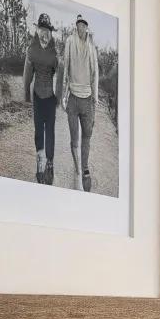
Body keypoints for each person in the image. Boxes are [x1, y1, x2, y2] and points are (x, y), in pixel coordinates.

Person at [62, 13, 99, 192]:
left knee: (87, 136)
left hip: (87, 99)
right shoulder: (70, 41)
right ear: (76, 26)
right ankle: (77, 167)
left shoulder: (92, 47)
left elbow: (95, 74)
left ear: (87, 27)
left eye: (84, 25)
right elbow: (66, 66)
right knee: (74, 138)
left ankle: (85, 169)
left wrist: (95, 99)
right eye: (79, 25)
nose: (81, 28)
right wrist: (64, 95)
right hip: (73, 98)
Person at [22, 13, 60, 184]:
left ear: (50, 33)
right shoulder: (32, 50)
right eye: (41, 30)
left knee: (50, 131)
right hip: (37, 96)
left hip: (50, 98)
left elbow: (59, 74)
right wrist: (26, 94)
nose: (44, 34)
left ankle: (50, 162)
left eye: (47, 31)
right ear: (37, 31)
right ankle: (39, 161)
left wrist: (58, 97)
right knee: (39, 130)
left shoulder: (54, 53)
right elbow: (27, 73)